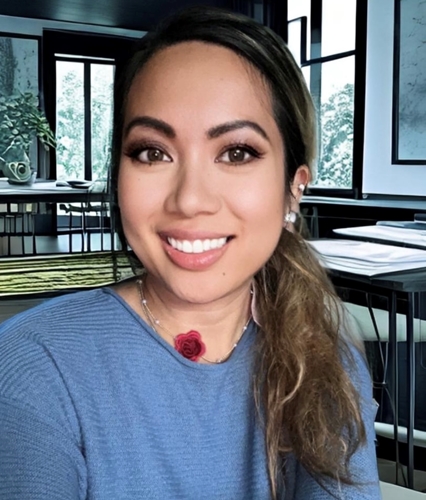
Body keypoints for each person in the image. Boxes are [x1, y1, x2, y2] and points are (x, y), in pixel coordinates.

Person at [0, 6, 381, 500]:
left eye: (237, 152)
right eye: (152, 152)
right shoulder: (33, 363)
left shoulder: (325, 358)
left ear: (294, 188)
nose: (190, 200)